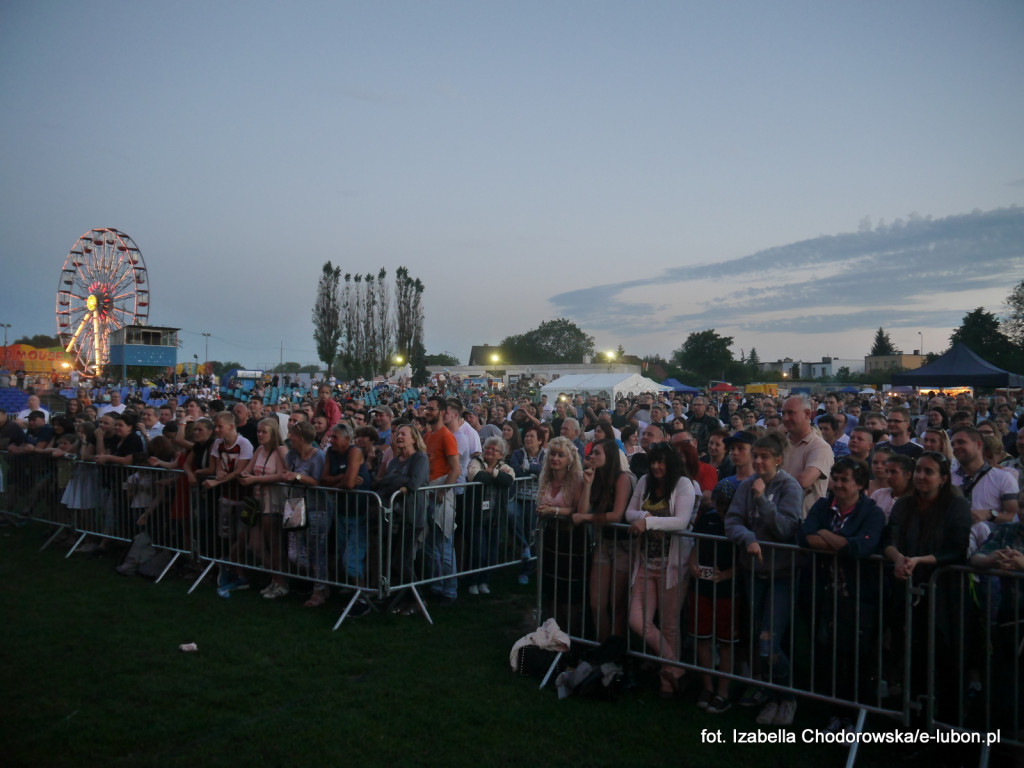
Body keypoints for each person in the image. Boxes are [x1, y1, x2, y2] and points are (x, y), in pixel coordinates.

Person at [882, 452, 971, 720]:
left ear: (943, 478)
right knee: (912, 657)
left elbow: (957, 549)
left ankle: (948, 723)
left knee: (946, 660)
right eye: (918, 470)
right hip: (908, 590)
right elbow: (890, 538)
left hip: (945, 595)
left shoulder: (956, 506)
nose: (921, 476)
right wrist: (899, 559)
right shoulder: (904, 505)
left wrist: (920, 561)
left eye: (929, 471)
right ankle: (915, 722)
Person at [724, 432, 804, 726]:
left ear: (778, 460)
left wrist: (762, 500)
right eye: (755, 456)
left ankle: (788, 697)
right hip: (753, 574)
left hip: (781, 575)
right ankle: (771, 695)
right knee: (758, 637)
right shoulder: (745, 486)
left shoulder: (789, 487)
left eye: (763, 457)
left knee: (769, 640)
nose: (757, 461)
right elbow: (732, 521)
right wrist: (747, 538)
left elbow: (787, 528)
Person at [799, 458, 886, 716]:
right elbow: (804, 535)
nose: (837, 484)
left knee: (856, 659)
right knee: (826, 654)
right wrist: (839, 540)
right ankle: (831, 712)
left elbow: (860, 547)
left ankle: (855, 716)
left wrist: (824, 534)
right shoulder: (823, 505)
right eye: (835, 479)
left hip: (857, 596)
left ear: (859, 484)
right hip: (823, 591)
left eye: (844, 480)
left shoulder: (871, 512)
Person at [624, 441, 696, 697]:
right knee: (637, 620)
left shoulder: (683, 485)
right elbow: (629, 513)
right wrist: (643, 519)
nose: (655, 466)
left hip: (672, 566)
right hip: (645, 563)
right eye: (653, 461)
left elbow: (681, 520)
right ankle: (677, 668)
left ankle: (667, 681)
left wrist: (650, 522)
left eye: (661, 462)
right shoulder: (644, 482)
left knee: (668, 625)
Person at [689, 480, 739, 714]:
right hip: (702, 586)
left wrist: (729, 574)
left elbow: (747, 556)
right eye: (719, 506)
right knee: (702, 637)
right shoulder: (707, 516)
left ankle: (723, 692)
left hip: (728, 590)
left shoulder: (740, 522)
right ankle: (707, 687)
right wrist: (692, 563)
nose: (721, 512)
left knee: (726, 642)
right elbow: (696, 543)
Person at [576, 438, 633, 642]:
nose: (591, 456)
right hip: (604, 544)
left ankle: (615, 652)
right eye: (591, 453)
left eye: (597, 453)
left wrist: (585, 518)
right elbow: (582, 510)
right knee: (596, 603)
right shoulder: (595, 477)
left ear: (609, 456)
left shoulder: (623, 478)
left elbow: (617, 515)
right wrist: (589, 485)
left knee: (616, 604)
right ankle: (601, 646)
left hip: (624, 546)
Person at [536, 435, 586, 634]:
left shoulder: (576, 480)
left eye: (560, 455)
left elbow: (578, 510)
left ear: (570, 459)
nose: (555, 459)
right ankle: (549, 630)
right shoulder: (546, 478)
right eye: (553, 455)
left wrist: (554, 511)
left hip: (571, 538)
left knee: (568, 593)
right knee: (550, 588)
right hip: (550, 536)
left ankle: (569, 633)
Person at [320, 423, 371, 612]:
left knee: (352, 558)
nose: (331, 441)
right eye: (331, 437)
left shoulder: (354, 452)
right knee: (343, 553)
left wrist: (341, 481)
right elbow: (323, 479)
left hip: (360, 511)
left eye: (335, 437)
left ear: (347, 439)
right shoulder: (330, 454)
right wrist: (344, 477)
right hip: (341, 510)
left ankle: (363, 598)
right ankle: (354, 590)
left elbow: (349, 484)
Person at [238, 418, 289, 600]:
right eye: (258, 431)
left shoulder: (281, 450)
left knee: (274, 544)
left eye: (264, 432)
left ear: (273, 433)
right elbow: (249, 470)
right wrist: (245, 475)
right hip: (258, 502)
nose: (259, 435)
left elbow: (283, 475)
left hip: (273, 502)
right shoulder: (259, 450)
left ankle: (281, 582)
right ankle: (276, 577)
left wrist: (255, 480)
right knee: (256, 545)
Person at [464, 436, 515, 595]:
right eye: (488, 448)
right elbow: (477, 476)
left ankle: (485, 580)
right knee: (478, 549)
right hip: (477, 515)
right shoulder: (475, 462)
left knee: (492, 550)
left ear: (501, 455)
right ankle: (473, 580)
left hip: (496, 516)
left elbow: (508, 480)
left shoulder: (505, 466)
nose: (490, 451)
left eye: (495, 450)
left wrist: (492, 472)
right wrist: (497, 475)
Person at [282, 420, 326, 599]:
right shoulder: (291, 455)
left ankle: (320, 590)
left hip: (316, 508)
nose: (289, 438)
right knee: (294, 553)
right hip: (294, 505)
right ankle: (307, 582)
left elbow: (319, 481)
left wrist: (298, 476)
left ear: (299, 438)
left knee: (316, 551)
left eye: (292, 434)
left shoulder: (318, 456)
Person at [424, 396, 460, 603]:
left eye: (431, 409)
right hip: (428, 493)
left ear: (442, 411)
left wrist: (442, 491)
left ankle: (450, 590)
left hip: (440, 496)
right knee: (431, 547)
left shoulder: (446, 436)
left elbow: (456, 468)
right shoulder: (429, 435)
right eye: (426, 408)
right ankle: (437, 585)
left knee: (444, 546)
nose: (427, 412)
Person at [950, 426, 1018, 525]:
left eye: (961, 442)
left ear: (978, 445)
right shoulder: (948, 479)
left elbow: (1014, 517)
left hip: (990, 538)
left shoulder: (1003, 478)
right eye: (953, 444)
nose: (955, 447)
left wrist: (989, 514)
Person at [781, 395, 834, 516]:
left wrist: (772, 484)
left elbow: (803, 481)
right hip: (779, 520)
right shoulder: (781, 444)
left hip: (804, 522)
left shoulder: (820, 447)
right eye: (783, 413)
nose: (785, 418)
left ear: (807, 414)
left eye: (790, 413)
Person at [508, 424, 545, 584]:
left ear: (540, 440)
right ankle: (523, 547)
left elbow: (545, 470)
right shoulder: (517, 453)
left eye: (532, 436)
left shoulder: (546, 454)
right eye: (526, 436)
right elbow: (515, 470)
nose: (528, 439)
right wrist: (533, 471)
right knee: (510, 514)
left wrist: (529, 467)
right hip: (517, 498)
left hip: (536, 500)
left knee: (532, 533)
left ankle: (526, 570)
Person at [871, 453, 915, 519]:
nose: (888, 476)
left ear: (908, 475)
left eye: (893, 472)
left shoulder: (915, 499)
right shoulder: (878, 494)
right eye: (886, 471)